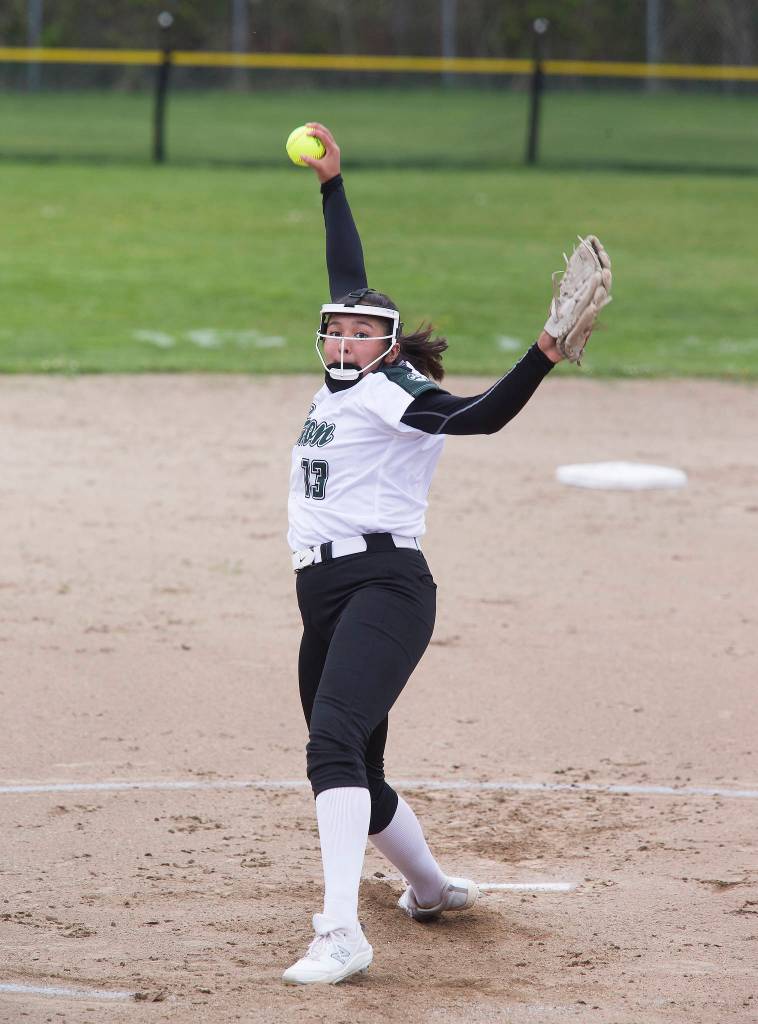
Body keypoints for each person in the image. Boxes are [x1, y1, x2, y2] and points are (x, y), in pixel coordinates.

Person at [283, 122, 567, 986]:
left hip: (386, 586)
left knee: (329, 747)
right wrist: (332, 185)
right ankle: (431, 889)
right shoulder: (355, 374)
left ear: (390, 345)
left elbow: (477, 416)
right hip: (324, 593)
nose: (342, 341)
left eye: (361, 334)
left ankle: (340, 932)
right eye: (336, 331)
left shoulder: (397, 392)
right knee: (356, 767)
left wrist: (544, 353)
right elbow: (346, 274)